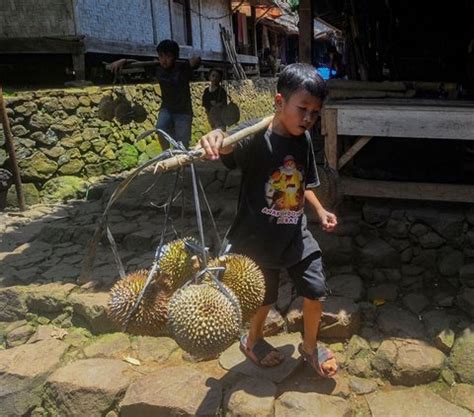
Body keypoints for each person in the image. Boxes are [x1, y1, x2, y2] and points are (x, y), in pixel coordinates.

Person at [200, 63, 338, 377]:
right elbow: (227, 143)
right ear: (279, 102)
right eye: (303, 108)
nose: (308, 119)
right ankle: (252, 339)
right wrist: (216, 137)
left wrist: (319, 211)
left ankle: (309, 345)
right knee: (265, 297)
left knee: (315, 288)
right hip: (257, 237)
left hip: (294, 231)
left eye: (315, 113)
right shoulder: (254, 137)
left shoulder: (302, 140)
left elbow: (303, 186)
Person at [107, 39, 201, 149]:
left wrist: (196, 60)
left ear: (175, 57)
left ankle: (180, 164)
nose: (164, 60)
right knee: (160, 129)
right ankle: (167, 155)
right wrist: (124, 60)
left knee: (181, 144)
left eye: (168, 56)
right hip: (167, 109)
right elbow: (138, 63)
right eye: (161, 56)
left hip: (183, 112)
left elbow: (196, 61)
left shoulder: (183, 68)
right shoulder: (157, 68)